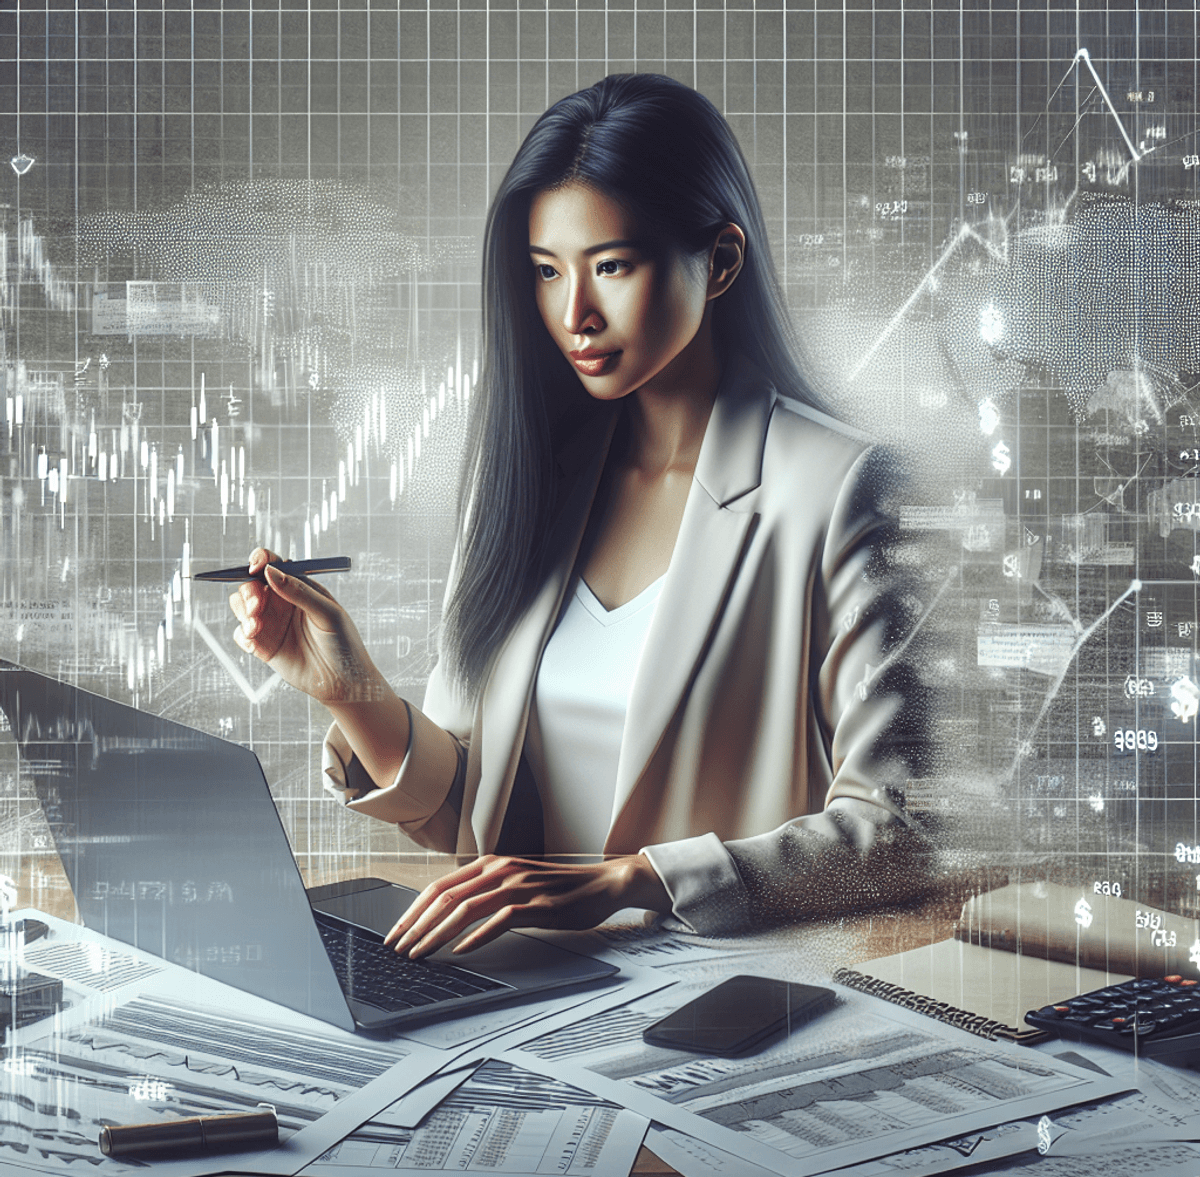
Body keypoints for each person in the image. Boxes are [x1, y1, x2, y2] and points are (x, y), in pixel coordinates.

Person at [230, 73, 934, 962]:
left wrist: (636, 879)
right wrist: (349, 688)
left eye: (613, 265)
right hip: (513, 993)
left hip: (722, 1008)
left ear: (718, 260)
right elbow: (464, 817)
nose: (575, 316)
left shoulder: (839, 488)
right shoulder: (527, 475)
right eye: (546, 272)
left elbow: (897, 838)